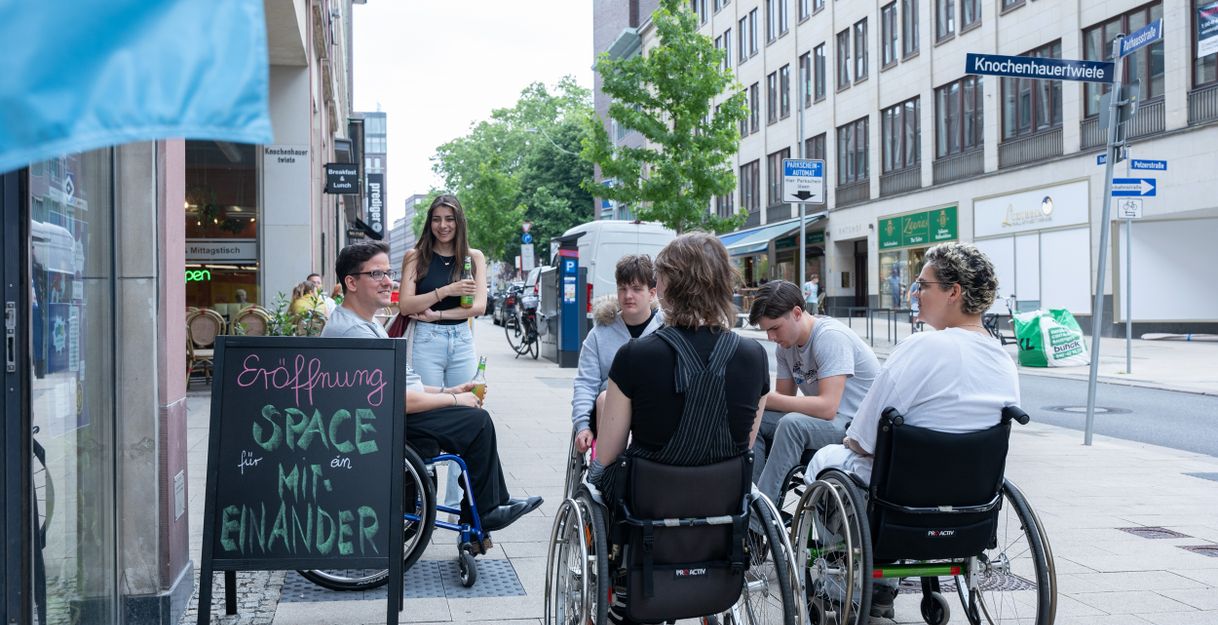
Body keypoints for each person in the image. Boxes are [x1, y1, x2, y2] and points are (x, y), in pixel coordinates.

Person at [807, 242, 1020, 618]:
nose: (915, 293)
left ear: (954, 292)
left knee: (825, 461)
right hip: (971, 500)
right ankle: (879, 587)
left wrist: (852, 440)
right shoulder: (1004, 361)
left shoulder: (922, 347)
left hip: (899, 502)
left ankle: (842, 583)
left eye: (923, 285)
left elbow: (863, 439)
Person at [590, 233, 769, 624]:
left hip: (648, 503)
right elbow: (745, 444)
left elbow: (608, 452)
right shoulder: (754, 356)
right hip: (721, 502)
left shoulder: (636, 356)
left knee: (598, 477)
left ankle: (619, 585)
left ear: (668, 287)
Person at [322, 241, 541, 532]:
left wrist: (451, 390)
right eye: (376, 274)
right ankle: (485, 510)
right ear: (351, 282)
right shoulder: (354, 332)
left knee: (473, 418)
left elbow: (396, 385)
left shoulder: (365, 323)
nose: (388, 281)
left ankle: (488, 505)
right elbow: (394, 399)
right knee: (476, 422)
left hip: (387, 415)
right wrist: (454, 400)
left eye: (388, 273)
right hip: (379, 425)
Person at [748, 280, 879, 505]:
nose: (770, 337)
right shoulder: (785, 347)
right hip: (829, 422)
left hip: (856, 425)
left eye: (774, 328)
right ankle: (749, 497)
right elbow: (783, 401)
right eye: (766, 330)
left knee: (791, 425)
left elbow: (828, 407)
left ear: (797, 313)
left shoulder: (830, 337)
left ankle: (761, 516)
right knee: (757, 418)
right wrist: (759, 402)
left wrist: (763, 396)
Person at [397, 194, 487, 509]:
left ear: (459, 222)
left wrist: (437, 314)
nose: (443, 225)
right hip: (426, 341)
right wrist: (447, 291)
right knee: (426, 416)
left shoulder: (473, 257)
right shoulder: (415, 256)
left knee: (468, 412)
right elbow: (406, 304)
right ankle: (425, 502)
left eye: (449, 219)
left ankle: (459, 507)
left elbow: (479, 306)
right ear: (429, 222)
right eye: (437, 219)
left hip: (461, 339)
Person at [570, 255, 664, 454]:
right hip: (608, 411)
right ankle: (608, 468)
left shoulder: (666, 331)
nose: (628, 295)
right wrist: (583, 425)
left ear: (652, 293)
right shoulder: (599, 335)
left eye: (636, 289)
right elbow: (586, 383)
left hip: (653, 408)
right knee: (605, 397)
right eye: (623, 288)